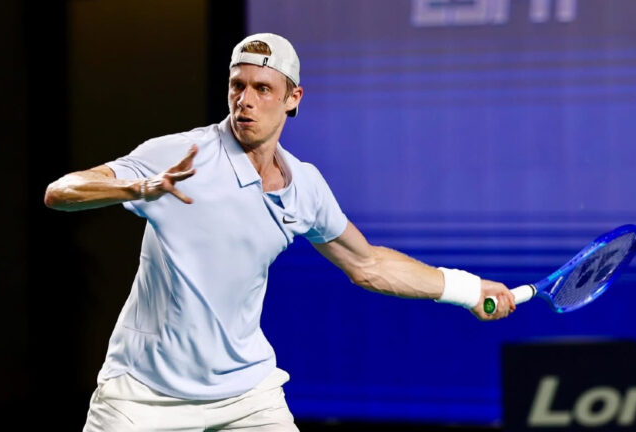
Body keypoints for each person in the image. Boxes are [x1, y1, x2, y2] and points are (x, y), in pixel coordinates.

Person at [44, 33, 516, 432]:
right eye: (237, 86)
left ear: (293, 99)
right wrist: (136, 185)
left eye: (263, 89)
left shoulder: (304, 186)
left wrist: (467, 289)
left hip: (246, 392)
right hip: (143, 395)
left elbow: (367, 264)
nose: (245, 100)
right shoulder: (181, 153)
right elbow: (59, 191)